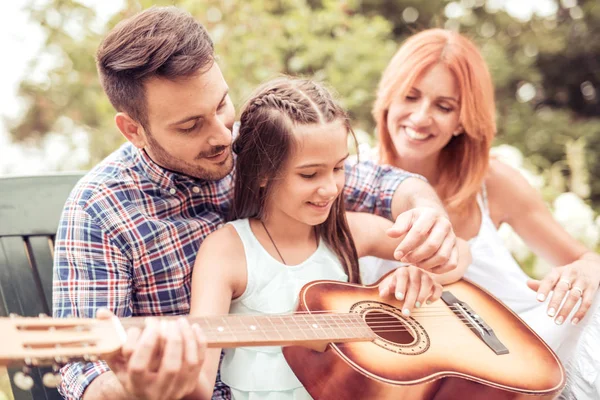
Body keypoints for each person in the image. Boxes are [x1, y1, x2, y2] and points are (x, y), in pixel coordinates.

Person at [52, 8, 461, 400]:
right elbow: (82, 368)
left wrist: (429, 222)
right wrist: (135, 390)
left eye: (220, 105)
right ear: (133, 130)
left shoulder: (258, 145)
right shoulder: (100, 210)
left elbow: (387, 186)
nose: (223, 135)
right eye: (191, 125)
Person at [189, 76, 471, 399]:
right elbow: (199, 382)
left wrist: (423, 272)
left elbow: (460, 254)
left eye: (338, 168)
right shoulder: (226, 252)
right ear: (262, 172)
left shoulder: (349, 233)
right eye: (309, 174)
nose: (331, 188)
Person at [362, 28, 600, 399]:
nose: (421, 117)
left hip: (532, 347)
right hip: (440, 377)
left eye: (444, 106)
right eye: (410, 96)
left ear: (462, 119)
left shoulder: (492, 181)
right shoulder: (349, 185)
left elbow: (585, 259)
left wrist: (585, 270)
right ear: (388, 98)